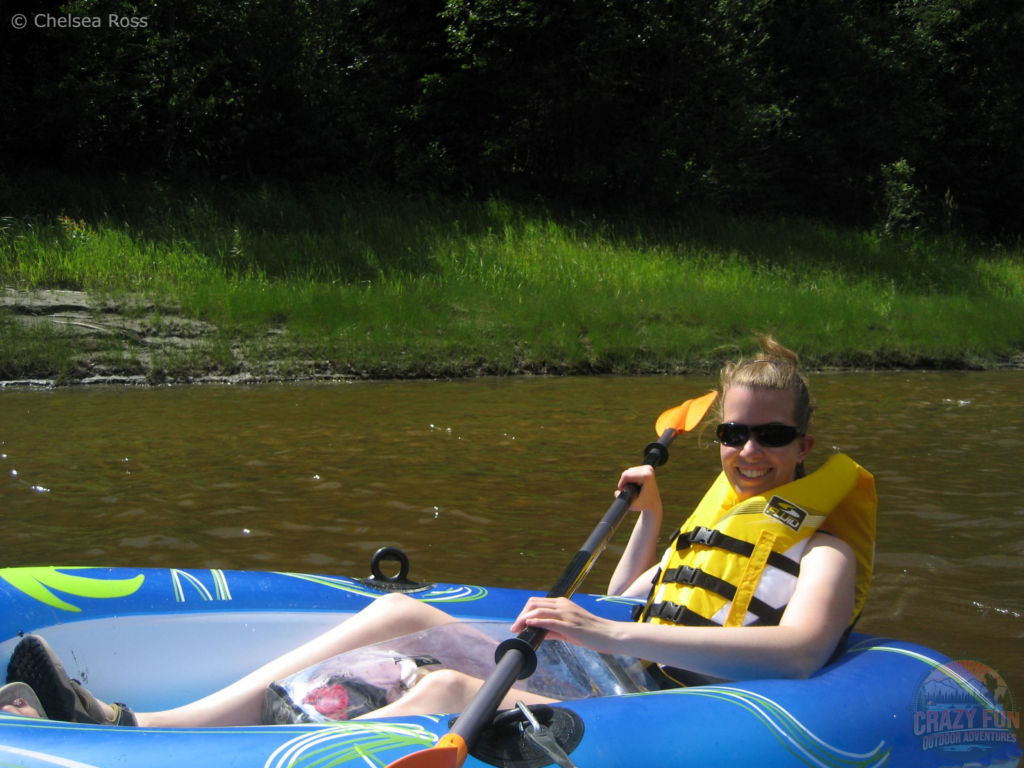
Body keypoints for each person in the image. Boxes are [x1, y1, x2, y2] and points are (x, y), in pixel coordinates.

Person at [5, 333, 875, 726]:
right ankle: (149, 730)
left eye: (769, 436)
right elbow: (624, 605)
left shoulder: (822, 547)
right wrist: (647, 523)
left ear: (805, 444)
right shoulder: (715, 519)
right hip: (616, 675)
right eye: (733, 432)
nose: (748, 451)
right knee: (396, 621)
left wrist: (603, 627)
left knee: (445, 690)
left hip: (686, 711)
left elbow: (798, 652)